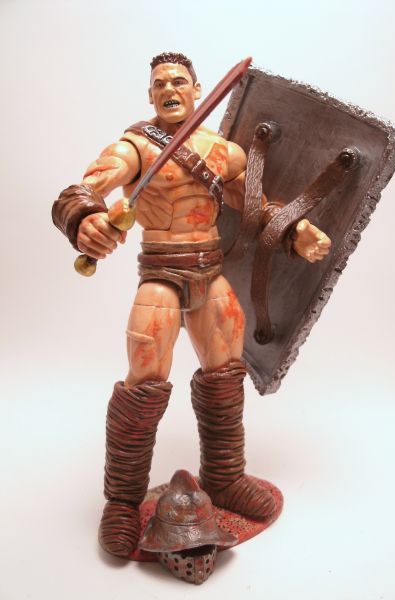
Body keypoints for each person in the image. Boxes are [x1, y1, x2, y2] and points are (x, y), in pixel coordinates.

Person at [52, 52, 331, 557]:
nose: (169, 89)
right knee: (143, 382)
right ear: (150, 95)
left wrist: (296, 230)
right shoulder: (134, 147)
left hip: (209, 271)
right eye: (160, 84)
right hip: (160, 273)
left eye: (178, 81)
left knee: (225, 372)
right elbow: (85, 187)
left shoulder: (224, 153)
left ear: (198, 90)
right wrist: (85, 220)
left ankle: (224, 478)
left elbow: (255, 206)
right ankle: (122, 501)